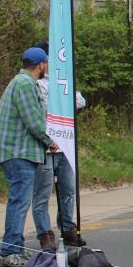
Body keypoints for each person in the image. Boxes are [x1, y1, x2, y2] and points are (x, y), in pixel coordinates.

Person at [0, 47, 57, 267]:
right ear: (41, 64)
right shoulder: (25, 84)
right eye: (46, 63)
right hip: (18, 152)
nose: (47, 66)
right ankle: (8, 251)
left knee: (20, 200)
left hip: (17, 152)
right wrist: (50, 141)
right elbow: (34, 121)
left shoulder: (22, 82)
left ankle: (17, 248)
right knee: (19, 201)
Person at [32, 41, 87, 249]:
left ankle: (67, 227)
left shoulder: (64, 79)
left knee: (68, 190)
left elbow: (80, 100)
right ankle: (45, 234)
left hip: (65, 144)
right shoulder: (36, 84)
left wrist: (62, 100)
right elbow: (43, 107)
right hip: (45, 146)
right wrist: (62, 102)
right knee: (42, 194)